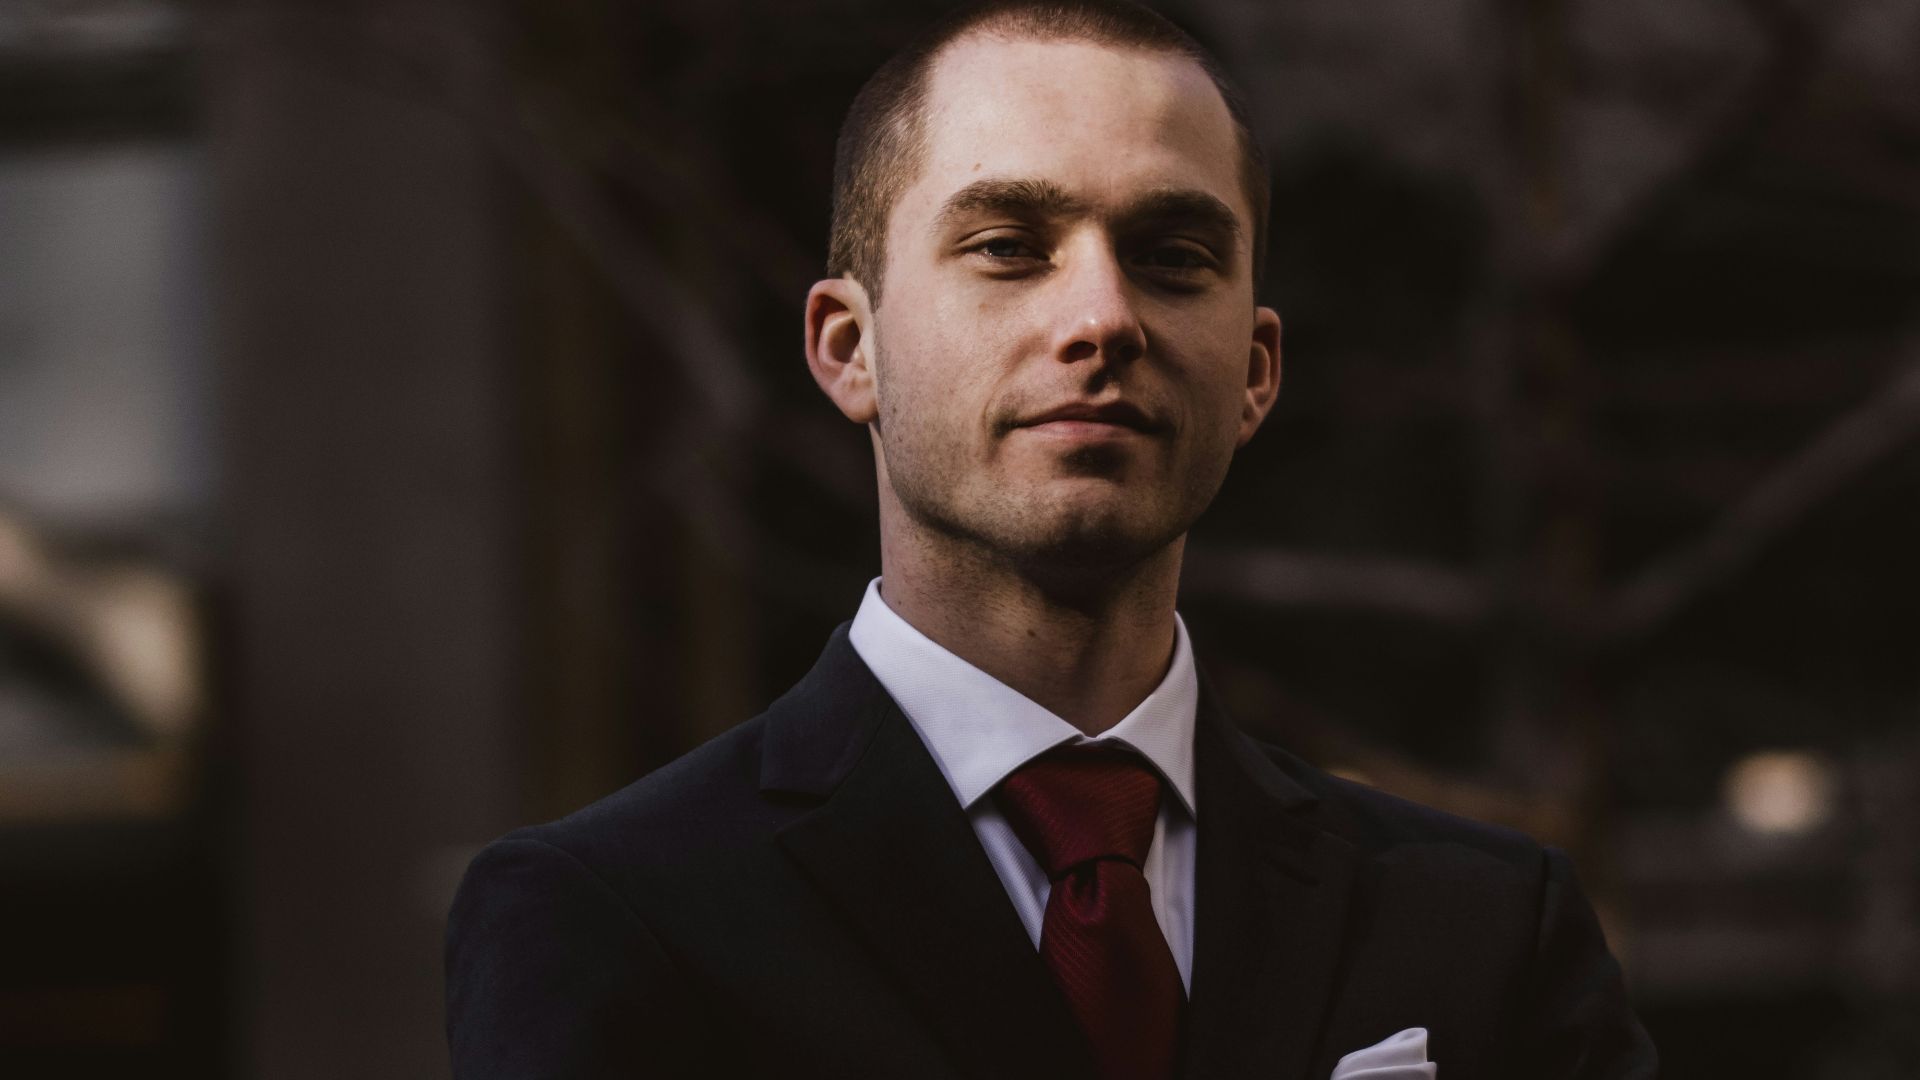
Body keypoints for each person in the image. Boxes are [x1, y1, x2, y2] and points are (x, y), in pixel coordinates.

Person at [444, 2, 1660, 1077]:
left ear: (1256, 369)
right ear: (848, 348)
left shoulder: (1488, 925)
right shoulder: (616, 915)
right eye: (1008, 248)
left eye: (1173, 257)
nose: (1102, 315)